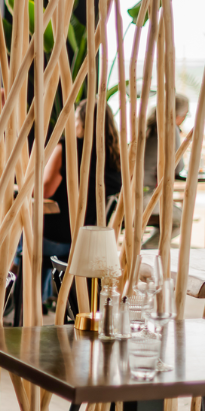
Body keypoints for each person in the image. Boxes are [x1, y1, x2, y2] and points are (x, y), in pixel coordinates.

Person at [41, 99, 123, 297]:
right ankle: (46, 296)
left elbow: (44, 191)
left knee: (21, 236)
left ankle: (26, 297)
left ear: (81, 122)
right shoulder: (116, 155)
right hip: (93, 242)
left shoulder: (68, 148)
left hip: (60, 238)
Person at [141, 94, 189, 248]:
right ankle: (146, 249)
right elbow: (177, 167)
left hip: (127, 195)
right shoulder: (170, 128)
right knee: (181, 219)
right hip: (145, 197)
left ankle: (145, 249)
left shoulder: (149, 125)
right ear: (179, 115)